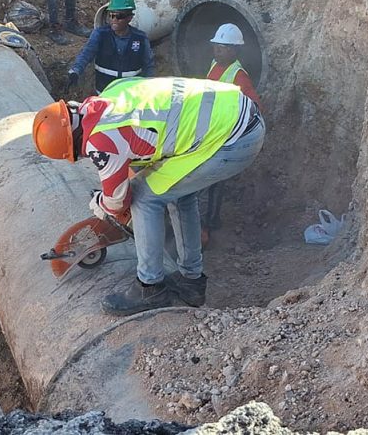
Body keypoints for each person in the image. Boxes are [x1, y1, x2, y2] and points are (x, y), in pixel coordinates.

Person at [32, 77, 265, 316]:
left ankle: (150, 286)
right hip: (235, 112)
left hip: (231, 139)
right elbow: (146, 144)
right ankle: (191, 281)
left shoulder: (104, 141)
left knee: (145, 198)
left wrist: (102, 202)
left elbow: (117, 202)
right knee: (179, 195)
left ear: (73, 147)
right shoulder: (111, 94)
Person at [201, 23, 263, 240]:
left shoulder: (239, 76)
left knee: (215, 180)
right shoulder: (214, 65)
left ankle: (210, 224)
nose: (217, 50)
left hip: (224, 136)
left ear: (234, 50)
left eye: (223, 47)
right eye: (216, 46)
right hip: (209, 131)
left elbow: (255, 106)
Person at [67, 0, 155, 94]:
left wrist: (147, 89)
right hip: (104, 94)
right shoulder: (100, 34)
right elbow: (86, 54)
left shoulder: (140, 38)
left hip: (129, 96)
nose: (114, 19)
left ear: (129, 17)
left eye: (119, 16)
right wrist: (76, 70)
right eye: (111, 15)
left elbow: (149, 66)